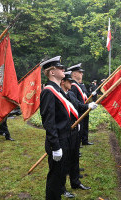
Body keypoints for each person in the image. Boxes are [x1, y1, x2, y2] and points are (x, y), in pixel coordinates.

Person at [40, 56, 75, 200]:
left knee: (60, 175)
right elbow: (49, 122)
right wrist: (55, 146)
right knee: (55, 178)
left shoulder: (57, 90)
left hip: (64, 139)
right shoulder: (49, 91)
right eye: (60, 68)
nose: (63, 69)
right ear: (52, 72)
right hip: (58, 141)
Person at [60, 71, 97, 198]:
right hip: (65, 132)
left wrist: (88, 106)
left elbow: (79, 106)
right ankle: (61, 188)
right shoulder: (59, 95)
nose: (72, 83)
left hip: (74, 130)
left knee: (74, 158)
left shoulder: (69, 94)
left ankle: (75, 182)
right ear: (62, 82)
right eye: (69, 81)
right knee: (64, 162)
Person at [67, 63, 94, 145]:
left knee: (83, 127)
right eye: (80, 72)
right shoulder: (73, 86)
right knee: (78, 129)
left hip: (83, 107)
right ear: (74, 74)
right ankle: (76, 146)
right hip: (78, 110)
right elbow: (74, 101)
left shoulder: (78, 85)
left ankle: (84, 141)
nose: (82, 73)